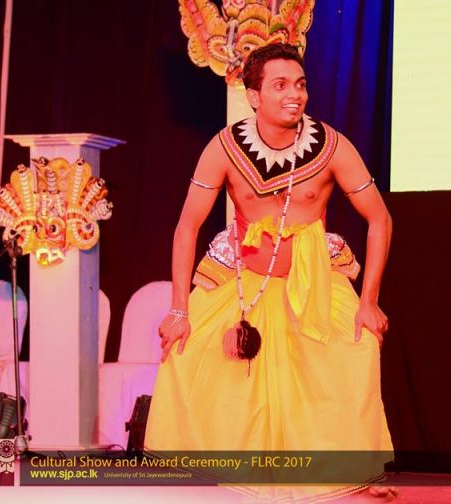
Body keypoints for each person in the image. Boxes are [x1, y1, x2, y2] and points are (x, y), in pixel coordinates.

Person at [145, 43, 396, 501]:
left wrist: (369, 302)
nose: (294, 95)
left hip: (313, 284)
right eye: (280, 85)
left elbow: (380, 219)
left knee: (356, 349)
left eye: (300, 84)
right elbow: (187, 226)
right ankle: (218, 478)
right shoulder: (224, 148)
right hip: (244, 283)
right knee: (188, 351)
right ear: (254, 96)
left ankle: (350, 474)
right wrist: (178, 310)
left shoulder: (332, 146)